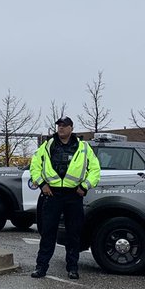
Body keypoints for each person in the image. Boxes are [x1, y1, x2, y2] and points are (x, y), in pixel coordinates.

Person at [29, 116, 101, 280]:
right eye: (59, 125)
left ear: (71, 128)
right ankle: (41, 267)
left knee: (73, 233)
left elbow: (95, 169)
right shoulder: (48, 145)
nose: (61, 128)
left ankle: (73, 268)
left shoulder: (83, 147)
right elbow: (35, 165)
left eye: (64, 125)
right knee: (48, 233)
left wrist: (85, 186)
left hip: (73, 195)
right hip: (52, 194)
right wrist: (42, 184)